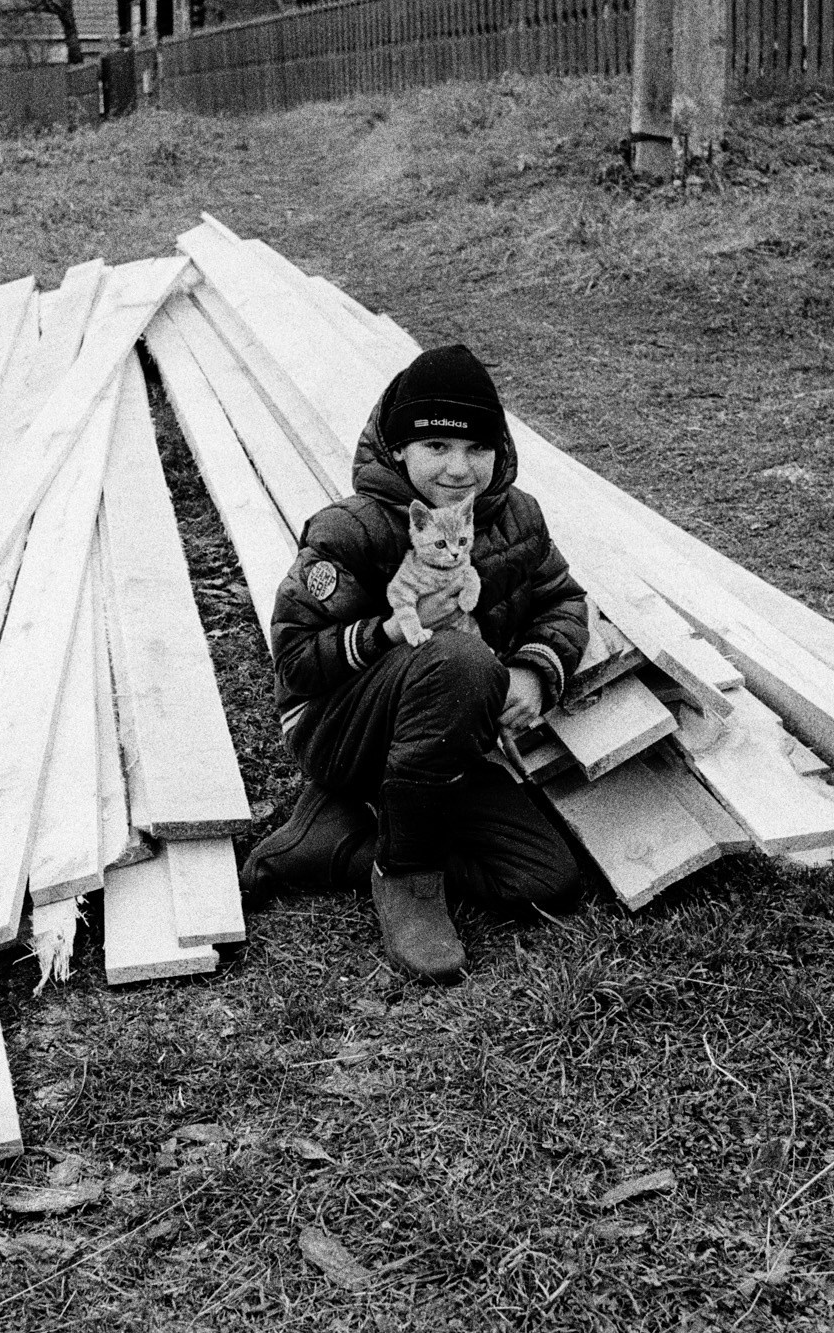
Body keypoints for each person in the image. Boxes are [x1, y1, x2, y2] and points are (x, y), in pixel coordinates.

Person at [238, 344, 588, 983]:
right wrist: (386, 633)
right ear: (397, 448)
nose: (460, 469)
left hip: (444, 742)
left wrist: (538, 670)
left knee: (545, 879)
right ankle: (406, 872)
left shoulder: (519, 518)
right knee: (457, 657)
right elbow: (294, 661)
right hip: (340, 726)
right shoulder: (351, 529)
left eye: (478, 448)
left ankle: (337, 835)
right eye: (437, 448)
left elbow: (561, 600)